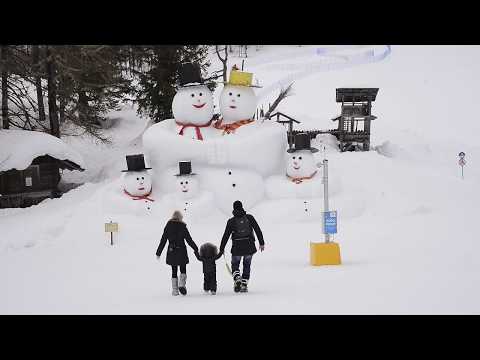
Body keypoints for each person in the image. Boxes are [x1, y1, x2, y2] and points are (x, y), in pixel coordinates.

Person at [218, 200, 265, 293]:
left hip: (237, 247)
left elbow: (226, 235)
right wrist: (261, 243)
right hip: (249, 245)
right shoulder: (250, 217)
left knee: (235, 265)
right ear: (242, 207)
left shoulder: (231, 221)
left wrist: (221, 248)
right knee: (247, 265)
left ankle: (237, 278)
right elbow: (257, 230)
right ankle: (244, 285)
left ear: (233, 208)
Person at [156, 210, 199, 296]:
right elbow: (189, 240)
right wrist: (196, 248)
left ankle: (175, 290)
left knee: (174, 270)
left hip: (171, 251)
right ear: (180, 218)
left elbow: (163, 240)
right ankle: (182, 284)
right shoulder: (182, 226)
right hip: (181, 250)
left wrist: (158, 252)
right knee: (183, 268)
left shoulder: (168, 226)